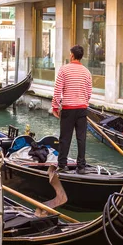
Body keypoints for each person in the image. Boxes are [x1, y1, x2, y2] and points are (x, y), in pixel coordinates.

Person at [52, 45, 92, 174]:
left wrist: (55, 106)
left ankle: (62, 165)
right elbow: (89, 92)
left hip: (68, 108)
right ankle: (81, 167)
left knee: (65, 138)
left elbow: (58, 90)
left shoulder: (64, 70)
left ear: (72, 55)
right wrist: (84, 102)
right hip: (82, 109)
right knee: (81, 138)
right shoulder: (87, 72)